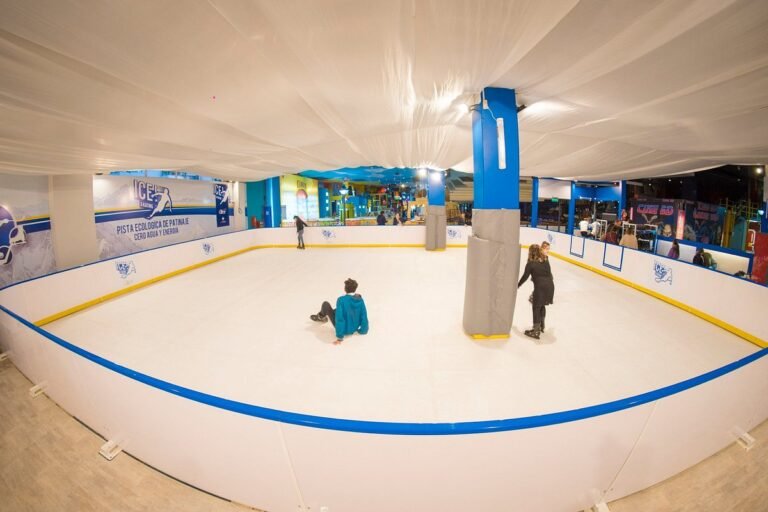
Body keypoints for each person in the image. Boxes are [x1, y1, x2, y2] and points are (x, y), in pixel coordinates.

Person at [310, 278, 369, 345]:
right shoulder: (360, 299)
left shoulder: (341, 300)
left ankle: (320, 316)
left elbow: (340, 319)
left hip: (344, 330)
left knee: (326, 304)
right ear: (355, 289)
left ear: (345, 289)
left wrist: (340, 337)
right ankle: (322, 316)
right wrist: (363, 330)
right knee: (340, 309)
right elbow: (364, 315)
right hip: (354, 328)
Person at [517, 244, 555, 340]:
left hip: (541, 288)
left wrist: (517, 285)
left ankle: (536, 331)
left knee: (536, 307)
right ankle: (541, 326)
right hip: (550, 286)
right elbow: (549, 274)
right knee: (541, 305)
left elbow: (525, 277)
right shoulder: (546, 259)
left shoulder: (531, 264)